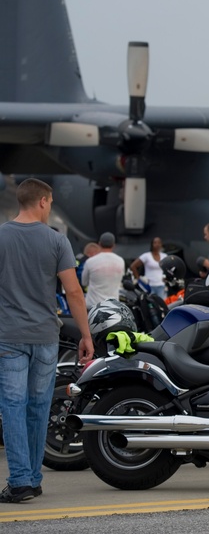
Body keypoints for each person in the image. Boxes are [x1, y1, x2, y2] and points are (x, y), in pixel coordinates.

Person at [0, 178, 93, 504]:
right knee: (39, 407)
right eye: (51, 202)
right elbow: (73, 292)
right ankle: (33, 479)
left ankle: (21, 481)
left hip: (8, 336)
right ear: (42, 201)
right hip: (44, 336)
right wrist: (85, 334)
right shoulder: (57, 241)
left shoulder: (1, 236)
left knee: (12, 407)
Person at [81, 232, 126, 310]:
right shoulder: (120, 261)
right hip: (113, 306)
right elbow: (120, 279)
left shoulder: (90, 261)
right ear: (114, 245)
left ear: (99, 244)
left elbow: (84, 282)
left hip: (93, 305)